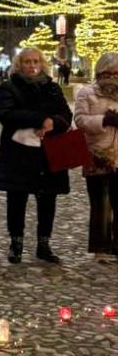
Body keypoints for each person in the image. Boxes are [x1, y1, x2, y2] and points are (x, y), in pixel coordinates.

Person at [0, 47, 72, 264]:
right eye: (27, 61)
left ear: (41, 63)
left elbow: (65, 115)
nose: (32, 65)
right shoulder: (9, 87)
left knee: (48, 198)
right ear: (19, 64)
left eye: (35, 61)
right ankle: (16, 242)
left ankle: (44, 243)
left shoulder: (52, 88)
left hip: (48, 151)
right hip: (19, 153)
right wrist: (39, 120)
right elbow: (7, 114)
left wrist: (52, 124)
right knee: (17, 198)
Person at [74, 52, 118, 262]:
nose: (113, 77)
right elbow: (80, 120)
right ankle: (101, 248)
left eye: (116, 73)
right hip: (97, 154)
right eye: (108, 73)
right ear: (99, 72)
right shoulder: (87, 92)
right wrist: (103, 120)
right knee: (101, 203)